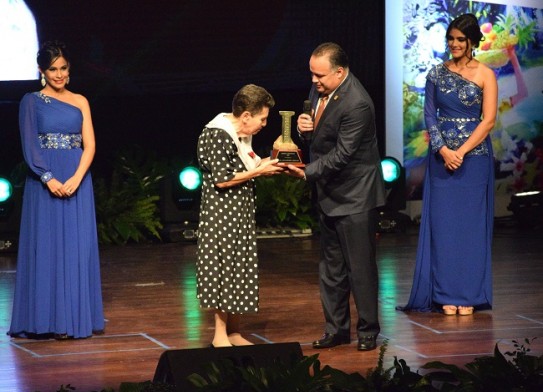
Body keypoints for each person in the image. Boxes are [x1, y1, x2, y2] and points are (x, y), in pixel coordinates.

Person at [285, 42, 386, 351]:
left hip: (355, 195)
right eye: (312, 74)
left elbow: (342, 155)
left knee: (360, 268)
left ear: (340, 72)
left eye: (320, 75)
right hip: (329, 192)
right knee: (331, 269)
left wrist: (305, 172)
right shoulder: (320, 89)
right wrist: (306, 130)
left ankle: (368, 331)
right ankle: (336, 329)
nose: (315, 81)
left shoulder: (357, 103)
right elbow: (321, 136)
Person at [397, 14, 497, 315]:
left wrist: (461, 152)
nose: (454, 44)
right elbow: (429, 115)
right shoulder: (436, 73)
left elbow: (488, 119)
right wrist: (443, 150)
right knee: (443, 226)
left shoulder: (485, 75)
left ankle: (468, 295)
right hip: (441, 161)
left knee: (470, 227)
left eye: (460, 40)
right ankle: (443, 294)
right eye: (451, 38)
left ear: (472, 42)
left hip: (474, 160)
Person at [8, 41, 105, 339]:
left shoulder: (80, 101)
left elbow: (89, 144)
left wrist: (77, 177)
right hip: (44, 182)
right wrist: (48, 177)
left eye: (63, 68)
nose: (59, 74)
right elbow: (30, 145)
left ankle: (72, 320)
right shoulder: (31, 101)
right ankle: (45, 321)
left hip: (77, 178)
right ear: (42, 70)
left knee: (76, 247)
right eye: (53, 69)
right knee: (47, 248)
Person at [196, 84, 284, 347]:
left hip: (240, 213)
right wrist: (259, 172)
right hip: (221, 214)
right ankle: (219, 334)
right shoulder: (218, 134)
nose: (264, 124)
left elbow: (249, 163)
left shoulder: (241, 135)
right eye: (262, 118)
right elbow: (222, 180)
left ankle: (234, 330)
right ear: (246, 115)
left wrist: (274, 159)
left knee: (238, 267)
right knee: (222, 268)